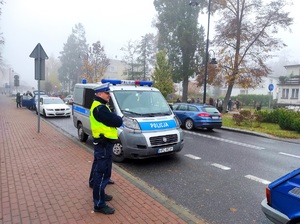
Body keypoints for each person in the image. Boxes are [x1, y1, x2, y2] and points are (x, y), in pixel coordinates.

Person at [89, 83, 122, 214]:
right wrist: (119, 118)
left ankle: (99, 192)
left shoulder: (101, 106)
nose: (109, 95)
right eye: (107, 93)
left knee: (99, 168)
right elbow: (117, 121)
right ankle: (99, 204)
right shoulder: (100, 108)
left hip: (102, 144)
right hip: (104, 144)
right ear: (99, 94)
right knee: (102, 174)